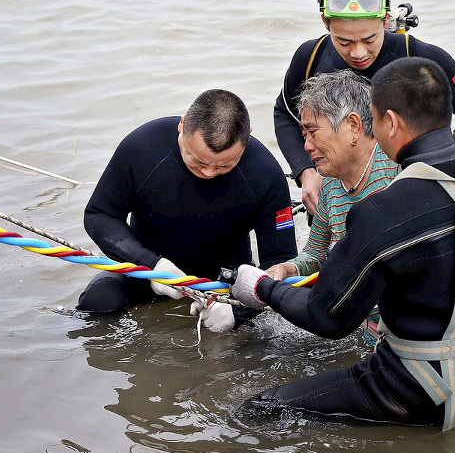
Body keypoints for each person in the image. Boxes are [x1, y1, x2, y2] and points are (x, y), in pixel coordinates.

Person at [229, 57, 455, 429]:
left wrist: (262, 287)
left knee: (263, 408)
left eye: (375, 120)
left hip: (423, 390)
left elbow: (325, 317)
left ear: (389, 123)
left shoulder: (382, 209)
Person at [274, 0, 455, 216]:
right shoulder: (310, 57)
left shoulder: (426, 58)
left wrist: (448, 171)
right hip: (337, 201)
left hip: (415, 197)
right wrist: (306, 172)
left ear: (386, 20)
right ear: (325, 23)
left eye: (369, 39)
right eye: (344, 42)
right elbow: (285, 114)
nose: (358, 52)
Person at [77, 89, 297, 315]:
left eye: (225, 165)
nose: (210, 172)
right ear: (182, 125)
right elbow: (99, 214)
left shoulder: (266, 174)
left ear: (247, 138)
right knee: (97, 302)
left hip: (223, 283)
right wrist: (151, 266)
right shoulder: (142, 147)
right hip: (146, 270)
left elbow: (281, 261)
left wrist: (237, 313)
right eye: (197, 160)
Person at [265, 69, 399, 345]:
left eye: (312, 132)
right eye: (304, 135)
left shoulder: (398, 167)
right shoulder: (330, 187)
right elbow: (315, 255)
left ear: (353, 126)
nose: (306, 146)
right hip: (366, 330)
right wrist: (285, 270)